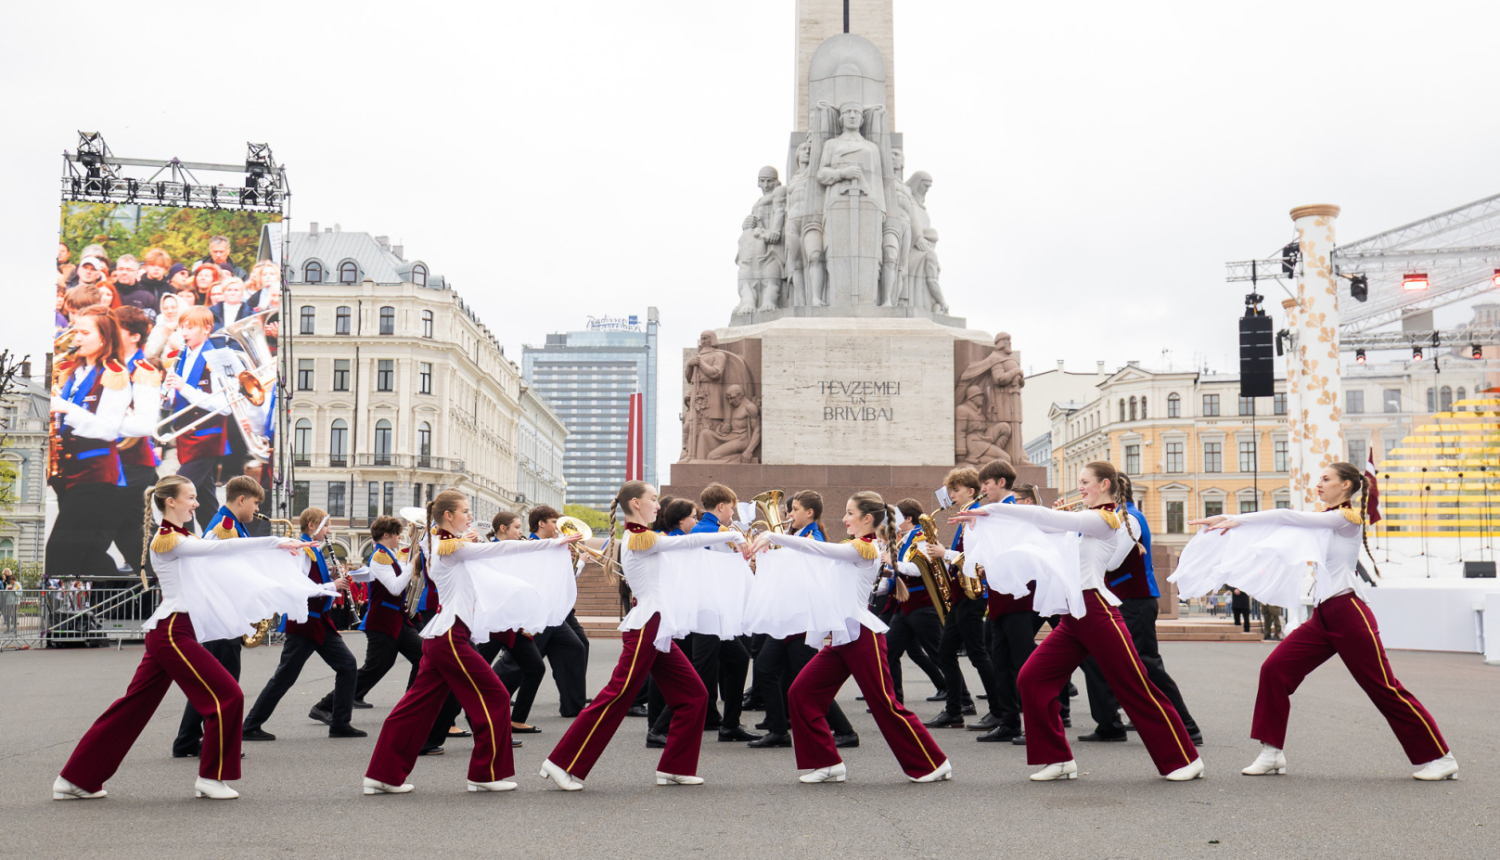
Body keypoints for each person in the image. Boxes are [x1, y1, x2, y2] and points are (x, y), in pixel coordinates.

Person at [1184, 462, 1457, 781]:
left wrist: (1236, 519)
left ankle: (1440, 756)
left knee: (1383, 687)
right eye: (1319, 479)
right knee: (1274, 670)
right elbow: (1287, 529)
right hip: (1324, 615)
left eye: (1326, 479)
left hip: (1350, 613)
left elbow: (1286, 516)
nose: (1319, 484)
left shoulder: (1345, 518)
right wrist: (1237, 526)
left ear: (1345, 486)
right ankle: (1271, 752)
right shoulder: (1329, 521)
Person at [53, 476, 318, 801]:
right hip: (173, 631)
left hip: (174, 631)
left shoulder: (180, 536)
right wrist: (274, 542)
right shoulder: (167, 539)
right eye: (190, 497)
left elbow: (221, 563)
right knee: (228, 697)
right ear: (171, 502)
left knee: (131, 708)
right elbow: (223, 547)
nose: (196, 503)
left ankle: (75, 778)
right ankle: (212, 778)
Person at [952, 460, 1203, 782]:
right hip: (1074, 614)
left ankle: (1184, 758)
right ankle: (1056, 758)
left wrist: (995, 511)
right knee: (1032, 679)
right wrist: (986, 521)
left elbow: (1044, 516)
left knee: (1134, 686)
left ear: (1105, 486)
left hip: (1097, 611)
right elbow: (1037, 528)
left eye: (1086, 481)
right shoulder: (1082, 520)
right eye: (1080, 481)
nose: (1080, 486)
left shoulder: (1105, 518)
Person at [364, 489, 583, 794]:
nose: (470, 516)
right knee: (494, 696)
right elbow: (501, 552)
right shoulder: (448, 545)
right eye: (465, 511)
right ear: (449, 516)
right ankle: (485, 773)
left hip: (444, 636)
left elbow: (488, 561)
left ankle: (381, 775)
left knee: (414, 708)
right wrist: (554, 543)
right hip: (450, 636)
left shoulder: (442, 543)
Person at [541, 481, 745, 791]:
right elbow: (684, 544)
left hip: (658, 628)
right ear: (636, 504)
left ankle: (676, 767)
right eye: (653, 499)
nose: (659, 505)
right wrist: (732, 533)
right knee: (616, 695)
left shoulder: (644, 536)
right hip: (647, 627)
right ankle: (561, 762)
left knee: (694, 696)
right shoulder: (638, 537)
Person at [750, 491, 952, 784]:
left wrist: (776, 536)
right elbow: (811, 565)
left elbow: (818, 551)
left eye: (849, 513)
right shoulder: (852, 547)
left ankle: (933, 762)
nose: (844, 518)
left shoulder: (864, 548)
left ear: (867, 519)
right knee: (801, 693)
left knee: (885, 703)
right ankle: (827, 763)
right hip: (842, 638)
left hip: (863, 636)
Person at [1076, 476, 1203, 746]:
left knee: (1147, 664)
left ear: (1107, 489)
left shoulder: (1129, 518)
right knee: (1093, 659)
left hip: (1136, 600)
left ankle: (1187, 727)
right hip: (1119, 600)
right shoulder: (1116, 517)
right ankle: (1109, 723)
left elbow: (1111, 563)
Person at [748, 490, 858, 750]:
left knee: (808, 681)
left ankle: (845, 731)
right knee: (764, 668)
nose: (788, 514)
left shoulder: (813, 536)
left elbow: (802, 571)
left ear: (809, 513)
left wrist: (772, 556)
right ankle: (778, 730)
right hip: (788, 618)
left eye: (794, 509)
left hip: (802, 621)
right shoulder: (796, 536)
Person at [242, 508, 365, 740]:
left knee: (347, 665)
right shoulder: (301, 550)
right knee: (284, 677)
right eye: (325, 526)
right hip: (304, 621)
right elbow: (298, 586)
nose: (328, 531)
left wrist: (329, 575)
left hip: (318, 621)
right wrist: (333, 586)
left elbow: (312, 578)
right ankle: (249, 726)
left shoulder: (313, 549)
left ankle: (340, 723)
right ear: (312, 526)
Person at [648, 484, 755, 742]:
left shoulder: (714, 530)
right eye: (731, 508)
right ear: (721, 507)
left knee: (737, 660)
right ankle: (660, 729)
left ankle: (730, 725)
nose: (732, 513)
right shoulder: (716, 531)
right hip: (706, 610)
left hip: (713, 610)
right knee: (700, 671)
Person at [170, 476, 264, 758]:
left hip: (223, 613)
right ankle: (214, 742)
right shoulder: (226, 528)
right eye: (256, 503)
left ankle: (187, 740)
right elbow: (219, 572)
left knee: (212, 682)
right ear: (242, 500)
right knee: (224, 683)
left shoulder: (233, 525)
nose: (257, 509)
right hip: (221, 615)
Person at [46, 307, 133, 580]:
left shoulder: (115, 374)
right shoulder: (74, 369)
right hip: (69, 473)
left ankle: (61, 617)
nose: (76, 337)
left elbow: (108, 429)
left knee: (59, 552)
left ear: (104, 339)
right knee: (85, 555)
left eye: (84, 332)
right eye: (75, 330)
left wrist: (65, 408)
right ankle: (136, 605)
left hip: (95, 475)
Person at [310, 516, 424, 721]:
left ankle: (410, 703)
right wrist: (413, 563)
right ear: (386, 535)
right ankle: (324, 706)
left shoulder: (390, 554)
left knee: (422, 657)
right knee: (374, 668)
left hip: (396, 619)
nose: (400, 538)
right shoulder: (380, 556)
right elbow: (396, 587)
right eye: (397, 534)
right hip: (383, 621)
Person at [924, 468, 1006, 731]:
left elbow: (976, 557)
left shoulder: (979, 518)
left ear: (971, 492)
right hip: (961, 593)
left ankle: (998, 710)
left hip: (973, 594)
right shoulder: (966, 518)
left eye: (956, 491)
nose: (952, 497)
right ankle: (954, 710)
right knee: (945, 651)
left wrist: (944, 553)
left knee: (978, 654)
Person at [877, 498, 950, 705]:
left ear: (908, 518)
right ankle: (894, 701)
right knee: (889, 651)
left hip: (922, 604)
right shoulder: (907, 537)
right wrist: (889, 572)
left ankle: (962, 700)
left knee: (938, 655)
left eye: (897, 517)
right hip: (906, 605)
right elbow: (905, 571)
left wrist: (893, 563)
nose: (891, 522)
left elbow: (919, 570)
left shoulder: (921, 537)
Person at [165, 307, 229, 532]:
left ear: (207, 329)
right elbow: (177, 395)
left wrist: (183, 388)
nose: (185, 332)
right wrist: (167, 394)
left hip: (205, 436)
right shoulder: (184, 355)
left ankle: (186, 539)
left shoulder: (216, 357)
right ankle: (223, 541)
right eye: (182, 327)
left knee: (179, 491)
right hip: (187, 434)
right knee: (205, 499)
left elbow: (222, 405)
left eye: (190, 327)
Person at [525, 505, 591, 716]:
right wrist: (579, 563)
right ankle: (491, 696)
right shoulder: (532, 546)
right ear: (541, 523)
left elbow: (563, 581)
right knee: (520, 662)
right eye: (554, 522)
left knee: (576, 647)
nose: (558, 527)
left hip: (557, 610)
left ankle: (573, 705)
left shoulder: (555, 546)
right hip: (539, 610)